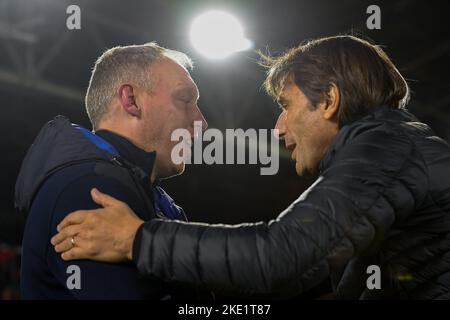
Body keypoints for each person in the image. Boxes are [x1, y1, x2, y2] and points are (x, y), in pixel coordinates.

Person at [52, 35, 450, 299]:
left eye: (286, 106)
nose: (278, 129)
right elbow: (295, 273)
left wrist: (137, 240)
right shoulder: (391, 149)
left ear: (328, 100)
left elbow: (279, 254)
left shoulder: (385, 148)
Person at [15, 43, 208, 299]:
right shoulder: (90, 187)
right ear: (131, 100)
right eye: (185, 99)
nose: (202, 122)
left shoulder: (147, 194)